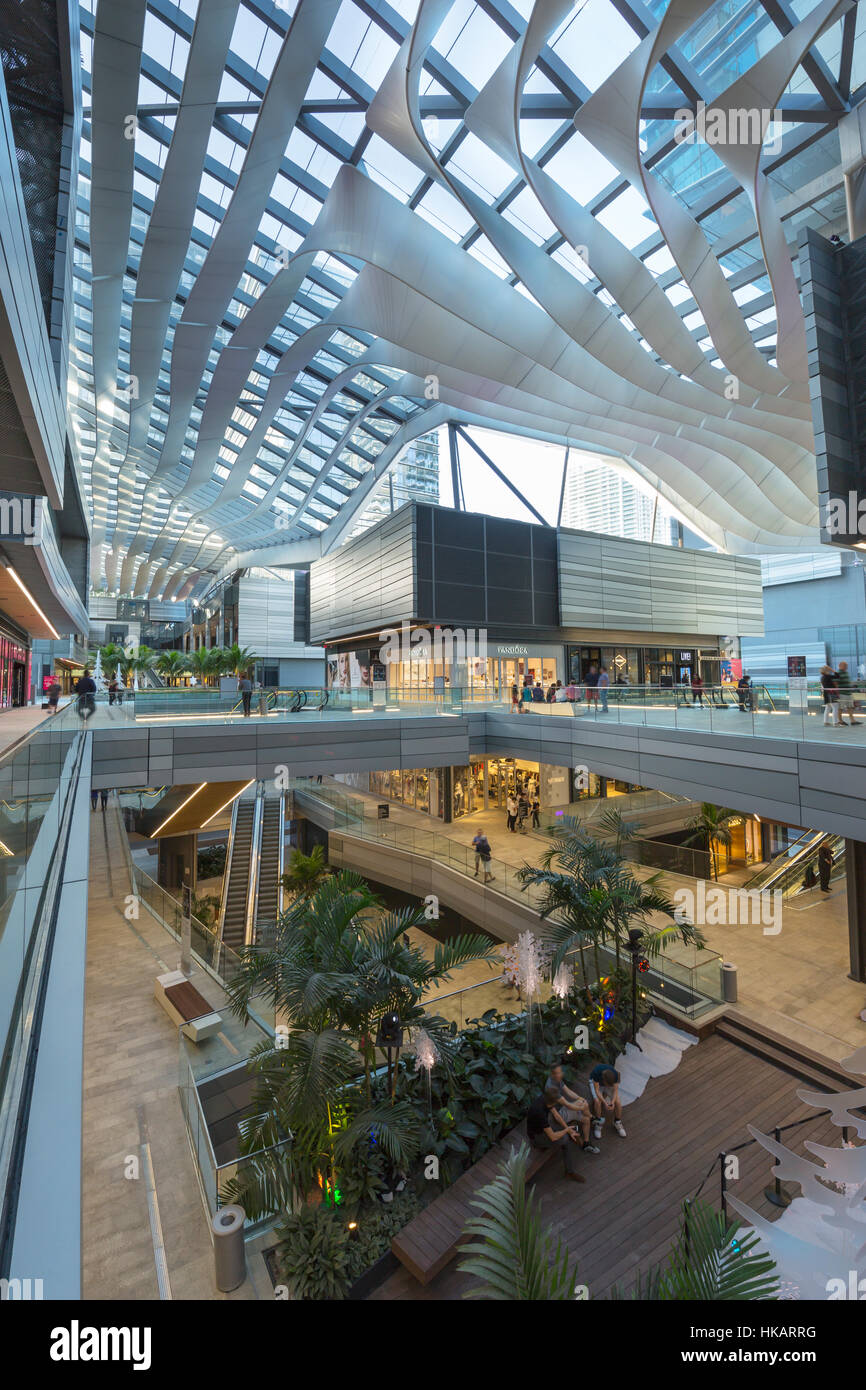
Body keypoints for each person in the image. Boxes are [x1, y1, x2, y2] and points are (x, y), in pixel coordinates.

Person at [525, 1085, 587, 1182]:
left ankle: (569, 1170)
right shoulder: (540, 1113)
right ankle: (569, 1172)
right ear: (553, 1102)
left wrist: (567, 1129)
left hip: (542, 1129)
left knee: (563, 1133)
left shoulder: (546, 1098)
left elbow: (556, 1115)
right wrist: (566, 1131)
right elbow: (553, 1137)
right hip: (536, 1137)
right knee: (565, 1139)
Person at [546, 1064, 599, 1152]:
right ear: (552, 1074)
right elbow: (568, 1105)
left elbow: (568, 1091)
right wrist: (582, 1106)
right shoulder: (551, 1087)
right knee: (583, 1104)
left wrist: (579, 1098)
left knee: (586, 1119)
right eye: (559, 1072)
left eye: (561, 1071)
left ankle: (586, 1143)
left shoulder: (557, 1078)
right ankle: (592, 1118)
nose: (561, 1074)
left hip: (566, 1109)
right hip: (561, 1114)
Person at [589, 1064, 627, 1139]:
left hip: (607, 1083)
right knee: (597, 1101)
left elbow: (615, 1090)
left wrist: (612, 1102)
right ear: (604, 1081)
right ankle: (598, 1124)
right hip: (595, 1084)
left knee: (618, 1102)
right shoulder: (596, 1072)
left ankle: (617, 1122)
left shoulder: (616, 1075)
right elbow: (597, 1090)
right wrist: (605, 1103)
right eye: (608, 1085)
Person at [835, 661, 860, 727]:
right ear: (840, 666)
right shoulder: (838, 673)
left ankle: (852, 721)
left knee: (850, 707)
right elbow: (835, 683)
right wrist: (837, 692)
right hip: (842, 693)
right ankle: (840, 721)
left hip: (848, 693)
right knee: (840, 708)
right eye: (845, 665)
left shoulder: (846, 672)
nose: (846, 667)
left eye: (846, 666)